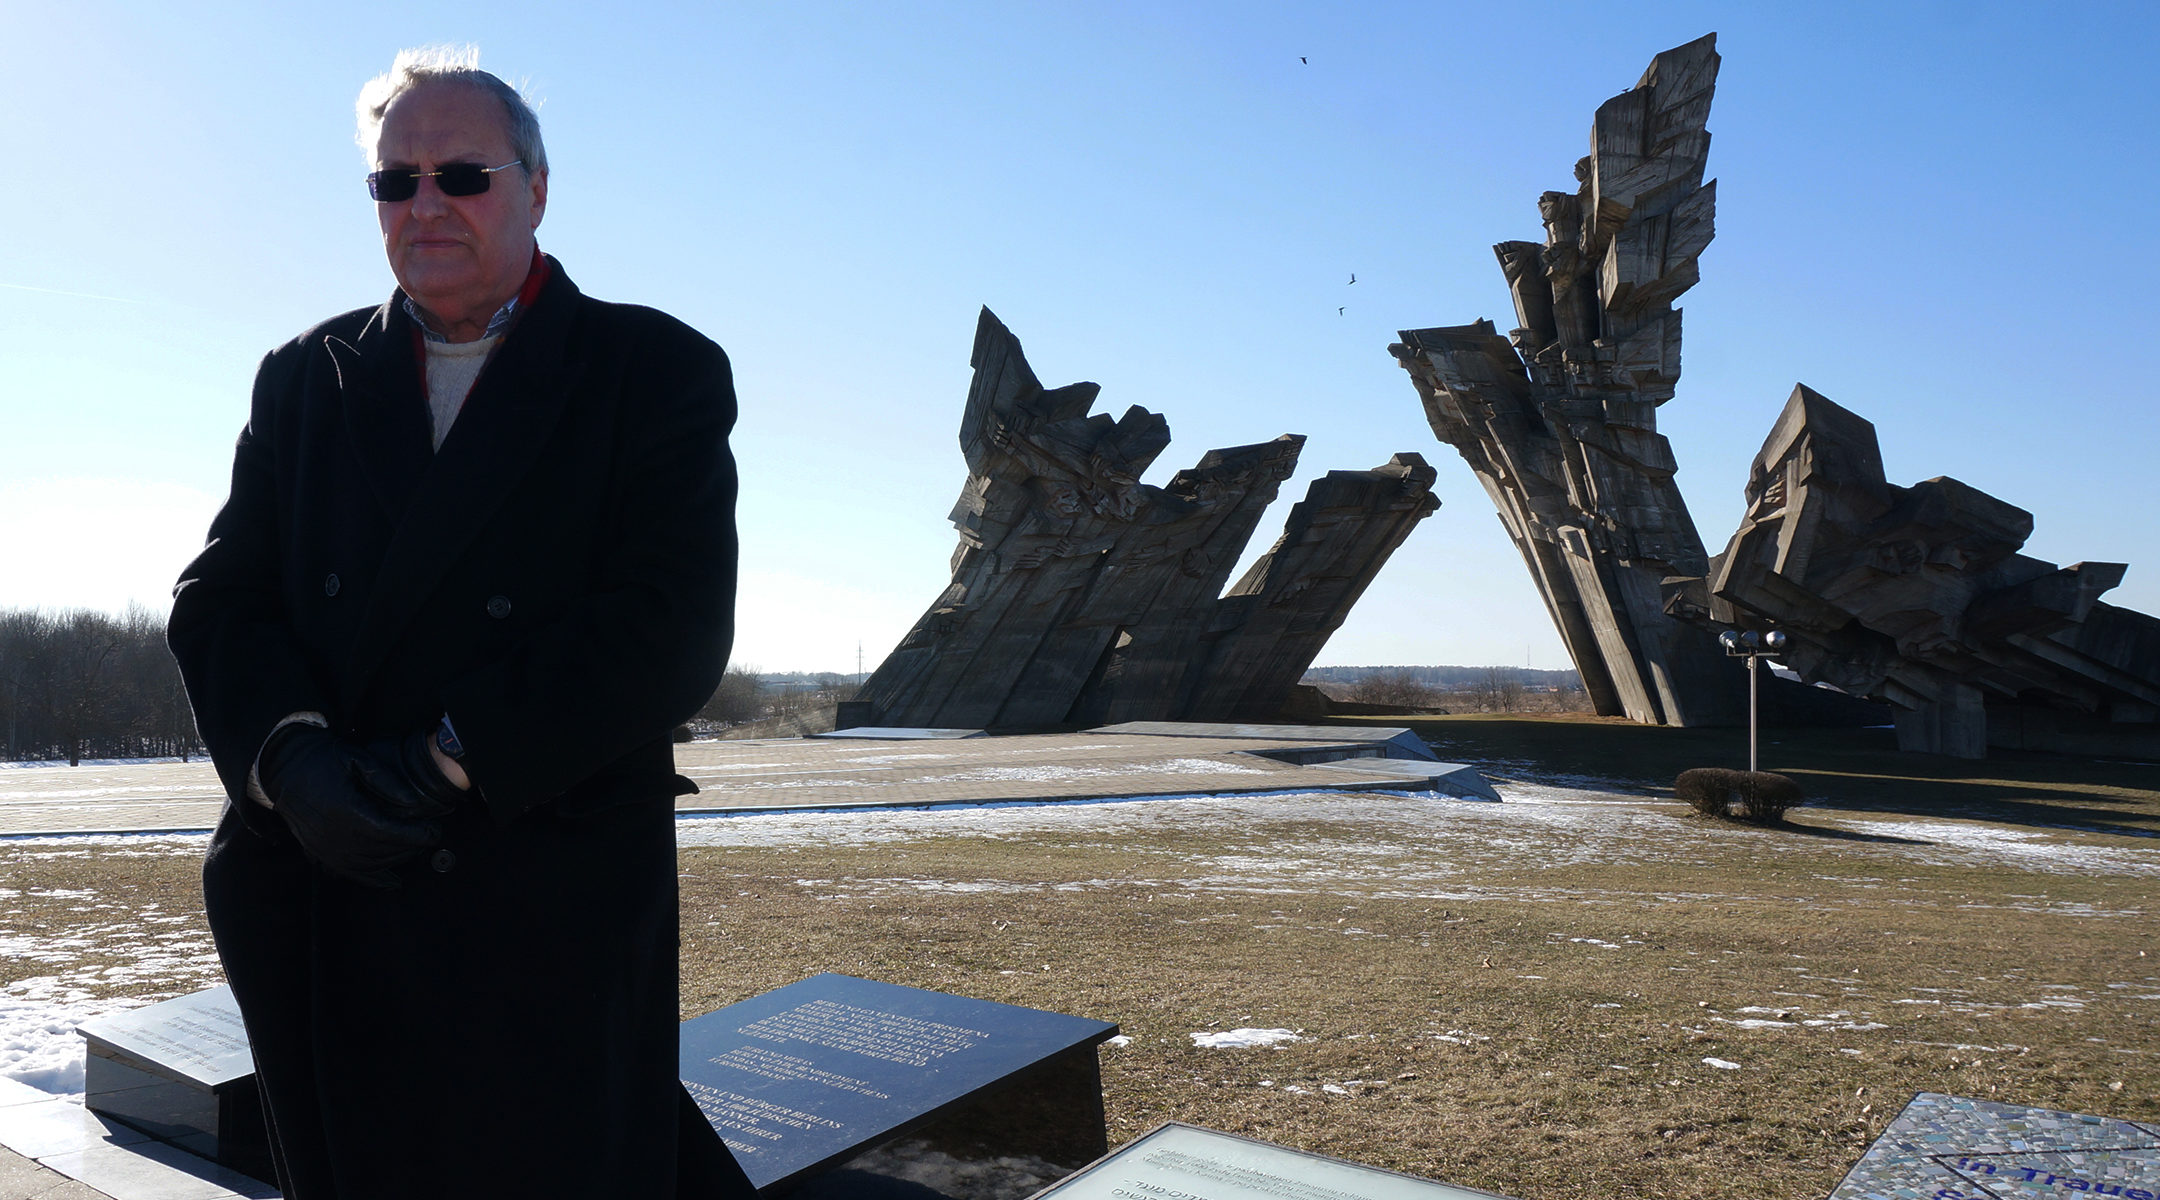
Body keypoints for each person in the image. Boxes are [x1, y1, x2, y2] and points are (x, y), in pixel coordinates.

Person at [168, 46, 750, 1199]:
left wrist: (450, 760)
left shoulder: (652, 368)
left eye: (463, 175)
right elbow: (221, 597)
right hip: (328, 884)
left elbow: (671, 621)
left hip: (540, 882)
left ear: (537, 187)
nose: (425, 203)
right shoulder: (304, 374)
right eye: (396, 180)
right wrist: (292, 768)